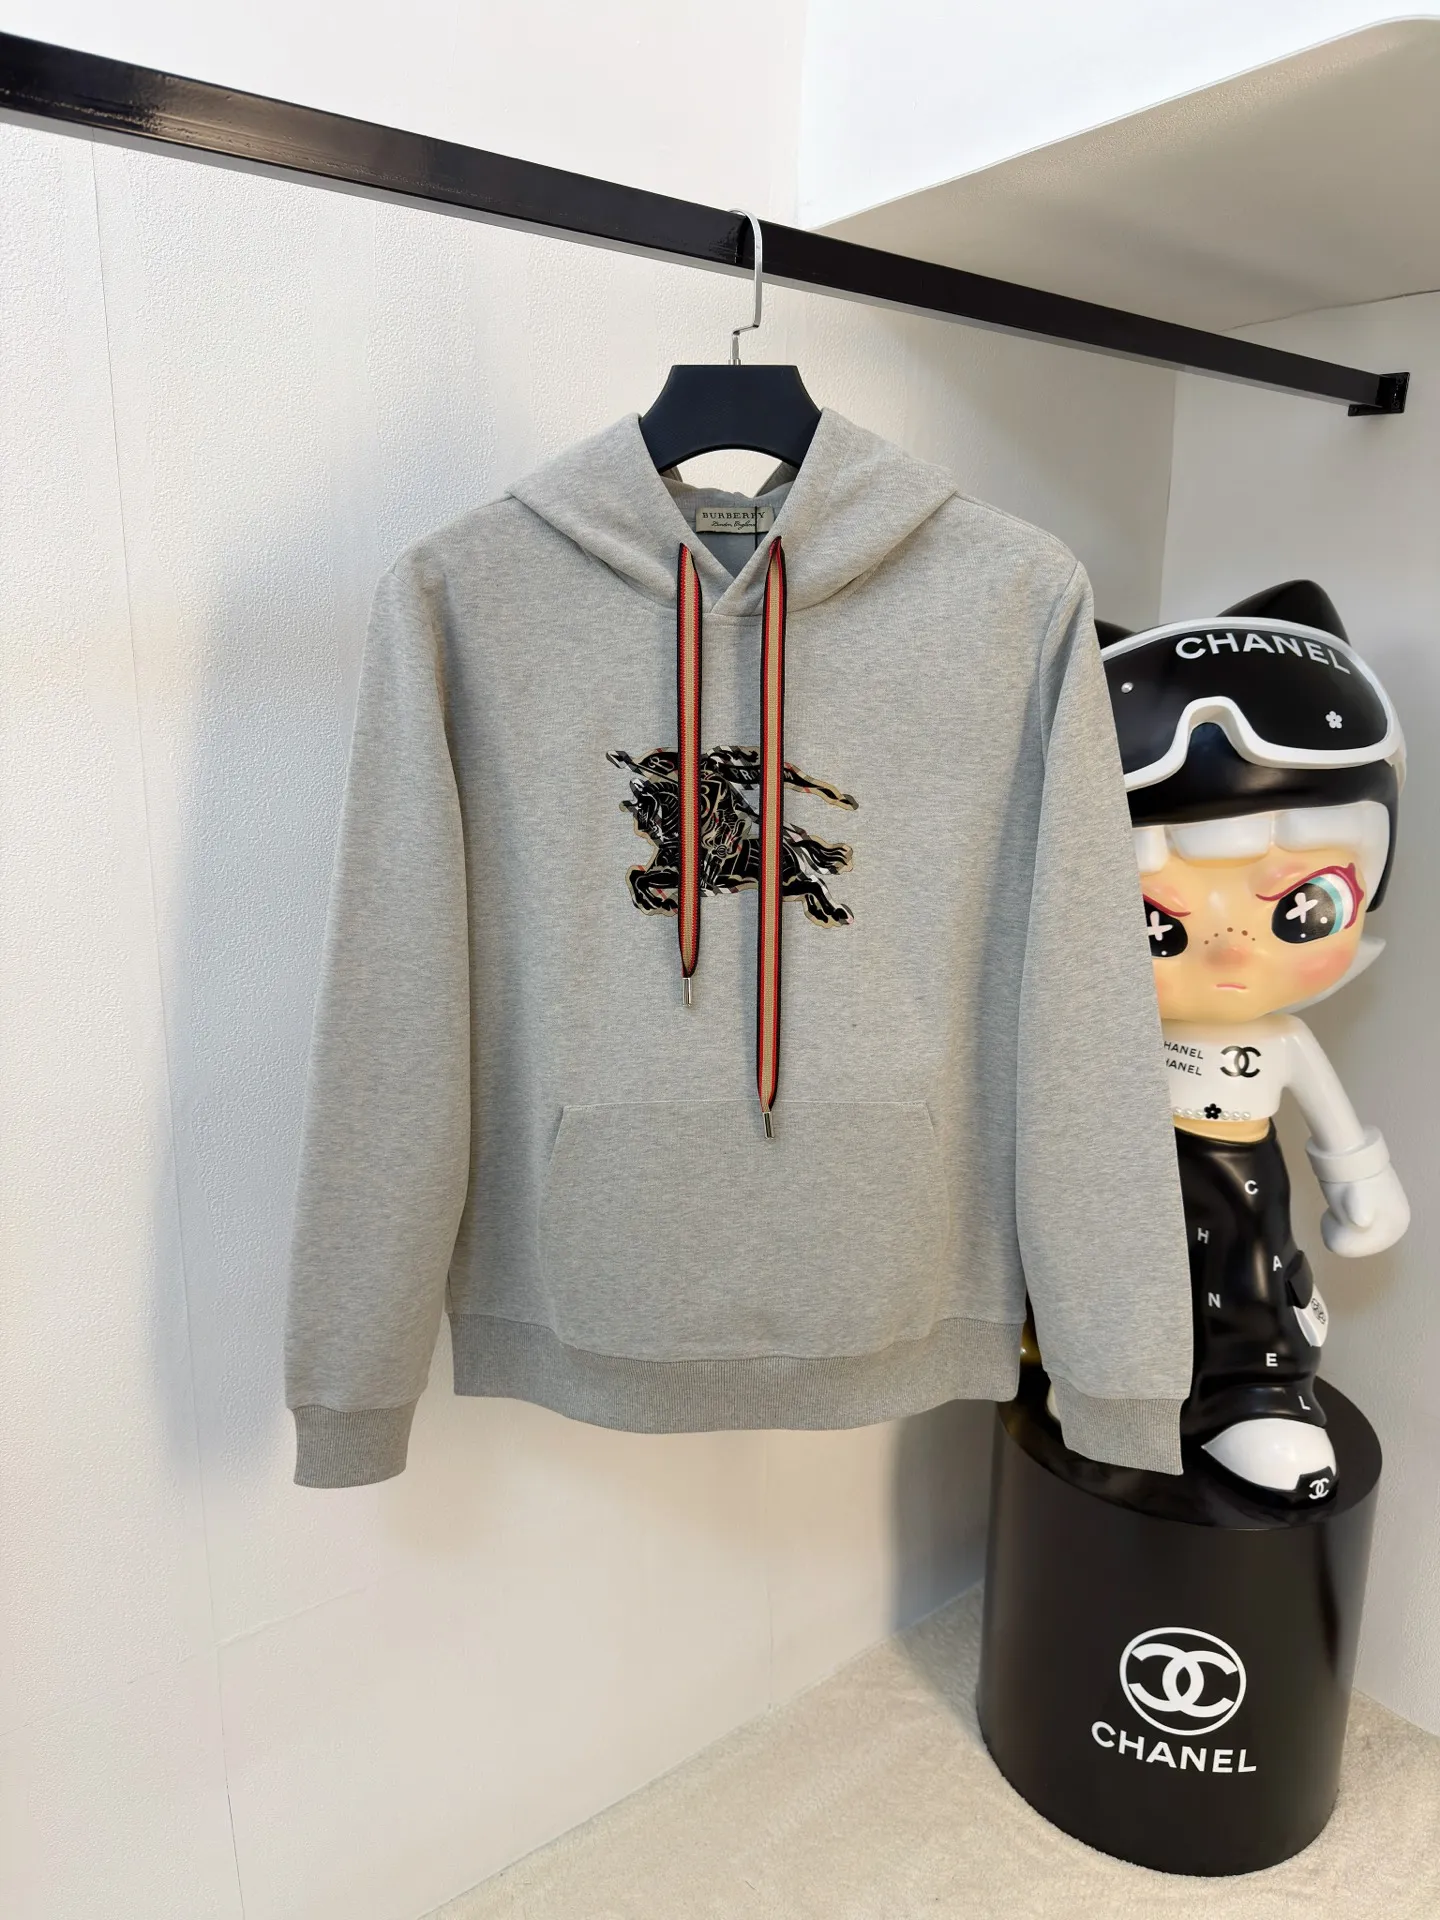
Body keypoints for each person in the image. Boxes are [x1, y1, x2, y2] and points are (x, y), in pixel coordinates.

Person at [1097, 582, 1409, 1500]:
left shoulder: (1282, 1040)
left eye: (1302, 908)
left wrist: (1363, 1184)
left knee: (1251, 1278)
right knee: (1111, 1280)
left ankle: (1255, 1393)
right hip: (1130, 1178)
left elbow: (1334, 1124)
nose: (1232, 950)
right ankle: (1106, 1385)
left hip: (1241, 1181)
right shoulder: (1102, 1036)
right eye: (1160, 922)